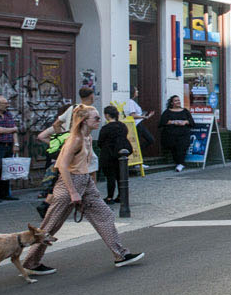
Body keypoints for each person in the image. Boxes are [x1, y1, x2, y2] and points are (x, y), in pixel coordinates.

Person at [20, 106, 143, 274]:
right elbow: (62, 166)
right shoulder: (75, 139)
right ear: (84, 121)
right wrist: (72, 192)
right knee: (50, 226)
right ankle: (30, 263)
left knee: (105, 214)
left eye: (99, 118)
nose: (100, 121)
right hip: (69, 182)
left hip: (84, 181)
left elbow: (84, 163)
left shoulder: (87, 138)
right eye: (96, 118)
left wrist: (89, 184)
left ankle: (121, 255)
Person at [96, 106, 132, 203]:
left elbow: (100, 142)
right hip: (121, 155)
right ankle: (121, 196)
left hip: (108, 155)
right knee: (120, 176)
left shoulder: (105, 128)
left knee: (110, 177)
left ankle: (110, 197)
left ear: (107, 115)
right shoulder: (123, 126)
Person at [159, 95, 195, 171]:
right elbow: (162, 122)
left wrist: (185, 122)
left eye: (178, 100)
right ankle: (178, 163)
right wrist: (174, 122)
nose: (178, 102)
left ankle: (181, 164)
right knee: (174, 148)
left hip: (183, 133)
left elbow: (192, 122)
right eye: (176, 100)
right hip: (171, 134)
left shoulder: (185, 111)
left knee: (182, 147)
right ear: (172, 103)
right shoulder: (167, 112)